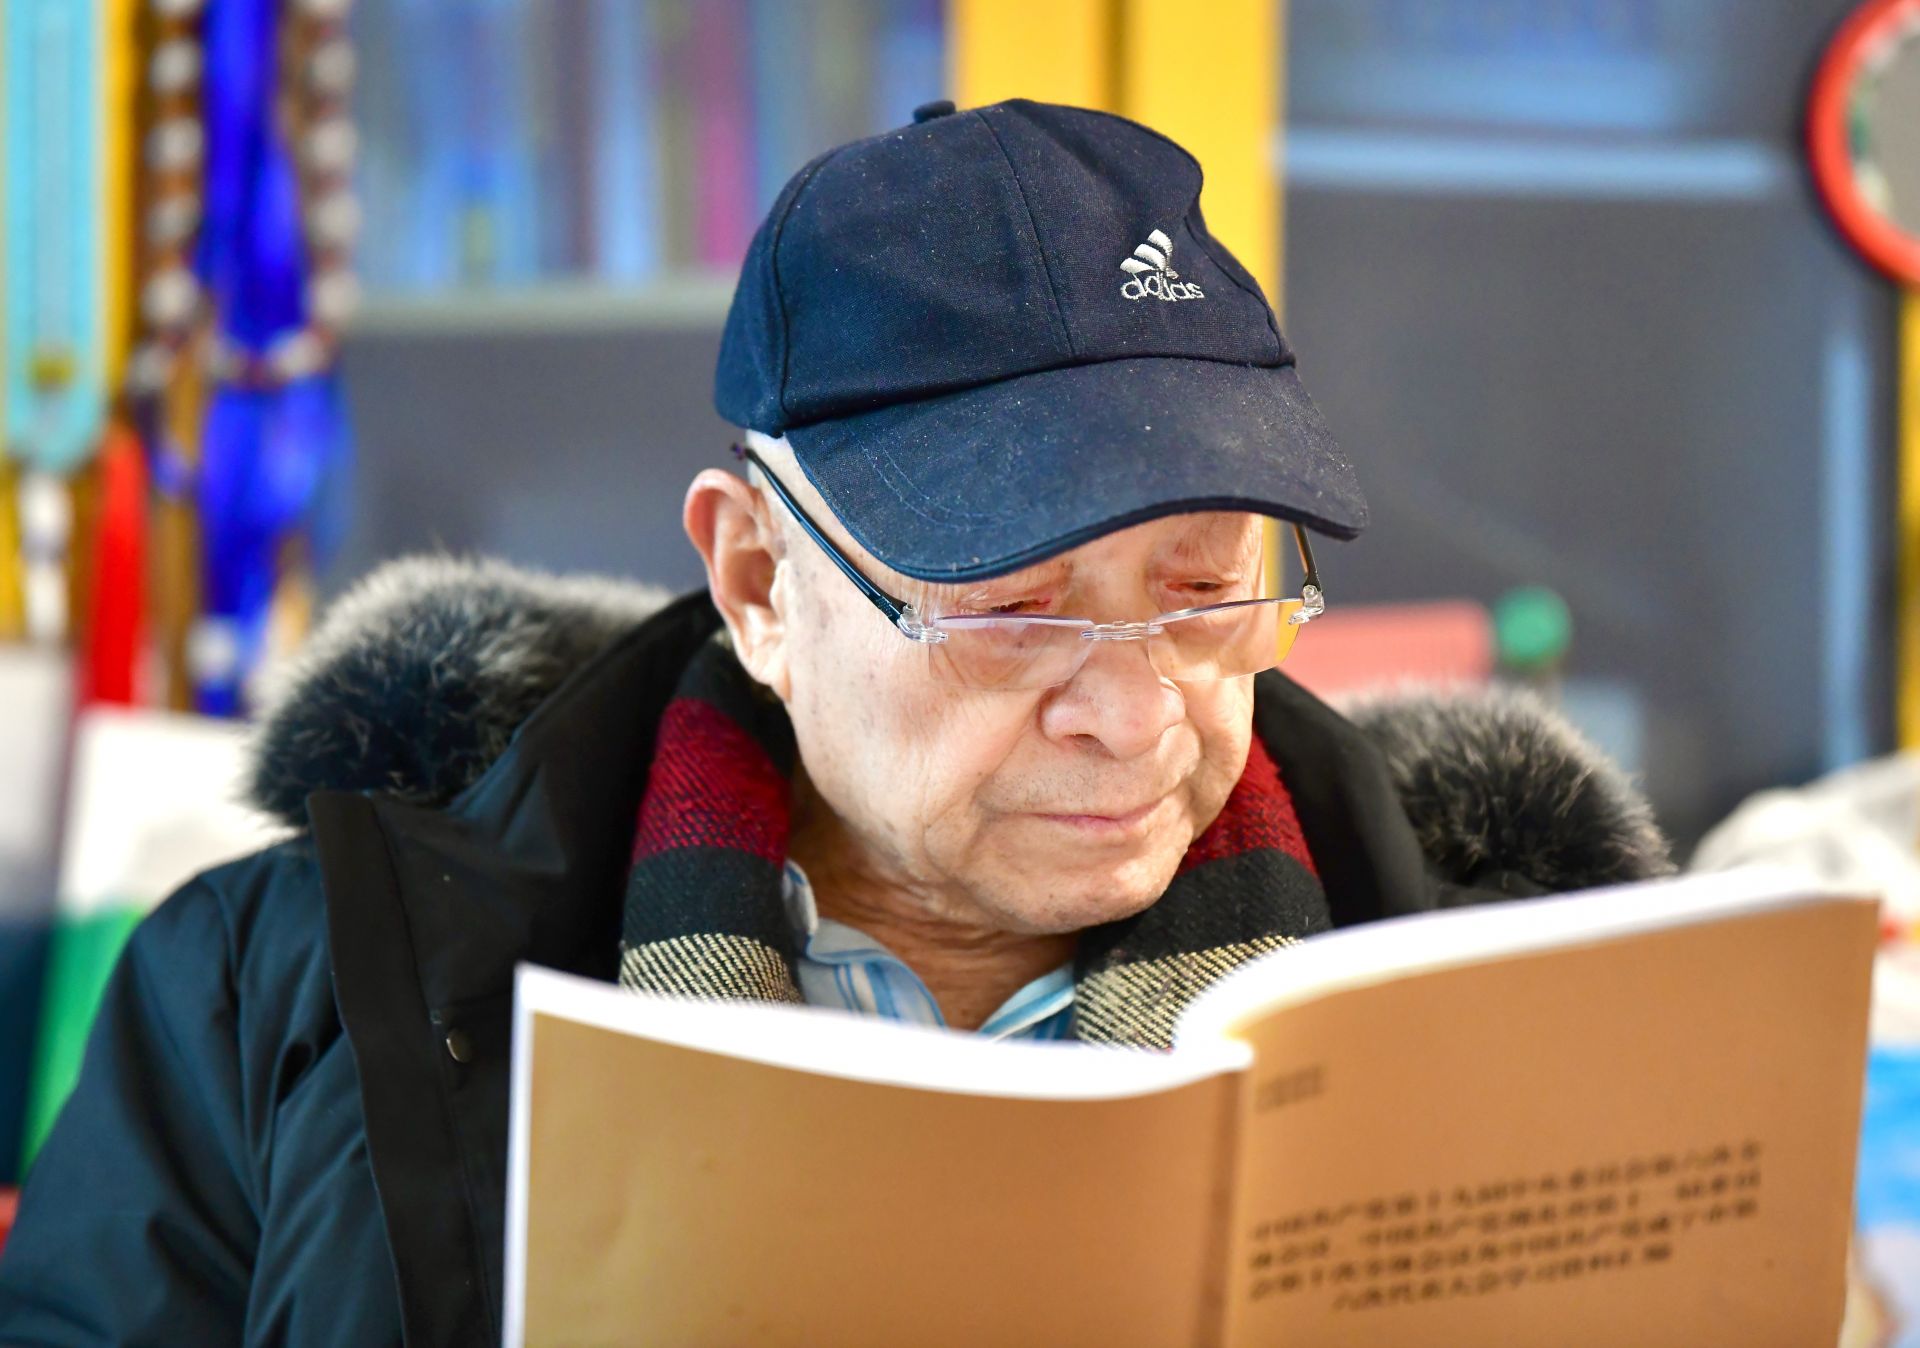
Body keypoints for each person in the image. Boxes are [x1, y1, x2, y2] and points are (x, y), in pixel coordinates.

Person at [0, 98, 1672, 1345]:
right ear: (757, 581)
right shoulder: (284, 994)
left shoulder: (1499, 988)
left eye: (1204, 585)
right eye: (1012, 604)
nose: (1131, 709)